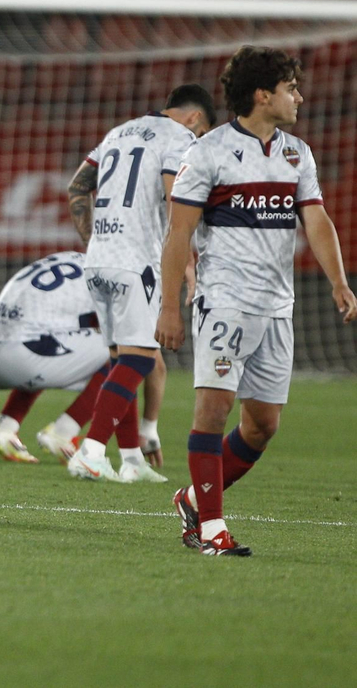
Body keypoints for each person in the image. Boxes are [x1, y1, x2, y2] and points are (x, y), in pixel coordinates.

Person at [160, 46, 357, 555]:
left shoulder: (297, 154)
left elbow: (316, 219)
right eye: (291, 88)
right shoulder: (208, 153)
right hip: (224, 299)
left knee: (262, 425)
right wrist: (168, 306)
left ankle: (192, 500)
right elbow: (179, 233)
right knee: (213, 409)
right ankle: (211, 530)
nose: (300, 96)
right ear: (263, 95)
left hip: (277, 306)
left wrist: (338, 280)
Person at [62, 84, 216, 483]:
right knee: (140, 358)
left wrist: (96, 243)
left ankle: (131, 460)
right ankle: (92, 450)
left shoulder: (120, 131)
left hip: (100, 257)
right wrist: (184, 261)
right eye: (202, 134)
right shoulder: (181, 137)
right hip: (138, 262)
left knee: (120, 358)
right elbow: (175, 201)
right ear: (195, 119)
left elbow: (77, 187)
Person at [0, 251, 116, 463]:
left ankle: (4, 427)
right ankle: (63, 433)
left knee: (51, 340)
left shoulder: (65, 258)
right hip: (21, 360)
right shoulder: (113, 275)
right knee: (123, 352)